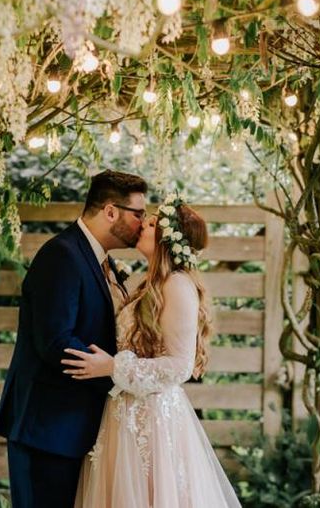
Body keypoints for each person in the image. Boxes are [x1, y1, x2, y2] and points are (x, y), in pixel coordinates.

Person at [62, 194, 242, 507]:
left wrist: (113, 367)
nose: (141, 226)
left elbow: (178, 366)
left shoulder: (177, 286)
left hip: (154, 421)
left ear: (167, 238)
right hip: (124, 414)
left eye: (150, 223)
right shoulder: (150, 283)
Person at [0, 169, 148, 508]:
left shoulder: (96, 259)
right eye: (139, 214)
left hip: (73, 428)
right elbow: (55, 340)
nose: (143, 222)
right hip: (47, 429)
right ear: (111, 211)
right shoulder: (62, 255)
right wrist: (117, 376)